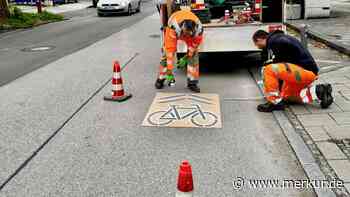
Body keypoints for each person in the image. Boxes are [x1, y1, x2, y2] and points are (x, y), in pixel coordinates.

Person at [252, 30, 333, 112]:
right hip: (303, 74)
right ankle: (320, 91)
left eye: (256, 44)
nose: (257, 47)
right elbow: (283, 66)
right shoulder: (278, 39)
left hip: (302, 72)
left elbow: (279, 65)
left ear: (259, 39)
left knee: (269, 70)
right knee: (286, 97)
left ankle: (274, 102)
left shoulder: (274, 40)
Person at [155, 10, 203, 93]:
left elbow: (193, 47)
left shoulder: (199, 31)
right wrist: (170, 72)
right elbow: (170, 52)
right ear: (182, 29)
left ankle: (192, 83)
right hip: (175, 23)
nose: (186, 36)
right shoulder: (173, 28)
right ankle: (161, 79)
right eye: (185, 34)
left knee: (193, 56)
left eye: (189, 34)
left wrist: (185, 58)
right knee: (166, 57)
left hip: (191, 34)